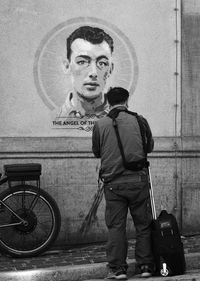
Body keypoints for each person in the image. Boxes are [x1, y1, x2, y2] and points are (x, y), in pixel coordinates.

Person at [92, 87, 154, 279]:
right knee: (143, 225)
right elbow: (149, 147)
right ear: (127, 101)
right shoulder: (140, 120)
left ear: (108, 103)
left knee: (116, 227)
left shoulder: (101, 124)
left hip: (113, 183)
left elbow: (97, 151)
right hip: (138, 181)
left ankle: (118, 269)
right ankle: (145, 267)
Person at [57, 25, 114, 118]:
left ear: (110, 69)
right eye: (82, 62)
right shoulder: (48, 120)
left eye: (102, 63)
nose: (93, 73)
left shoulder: (126, 120)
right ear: (67, 66)